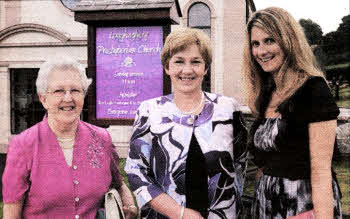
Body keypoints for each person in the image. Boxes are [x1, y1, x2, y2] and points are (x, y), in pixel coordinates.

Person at [124, 27, 248, 219]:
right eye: (179, 61)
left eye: (196, 62)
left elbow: (240, 164)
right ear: (167, 67)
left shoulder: (228, 109)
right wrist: (178, 213)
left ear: (205, 68)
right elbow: (136, 171)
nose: (187, 70)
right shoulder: (149, 111)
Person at [2, 57, 138, 219]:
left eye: (75, 90)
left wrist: (129, 203)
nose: (68, 98)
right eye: (59, 91)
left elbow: (118, 182)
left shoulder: (102, 139)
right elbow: (12, 214)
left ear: (83, 95)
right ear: (43, 99)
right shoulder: (23, 145)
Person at [241, 7, 343, 219]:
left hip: (302, 205)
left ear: (288, 40)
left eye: (269, 41)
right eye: (255, 44)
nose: (261, 51)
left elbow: (321, 171)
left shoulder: (313, 89)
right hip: (265, 205)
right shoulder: (266, 93)